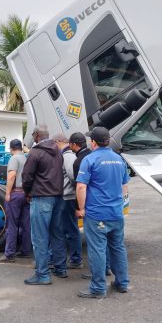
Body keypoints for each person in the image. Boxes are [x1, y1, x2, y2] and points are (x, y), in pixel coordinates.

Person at [75, 127, 130, 298]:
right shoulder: (119, 159)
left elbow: (81, 186)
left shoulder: (90, 159)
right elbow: (124, 187)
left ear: (93, 142)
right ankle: (122, 283)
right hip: (116, 213)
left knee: (97, 250)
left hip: (97, 213)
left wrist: (82, 208)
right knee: (118, 248)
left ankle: (98, 288)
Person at [21, 125, 67, 284]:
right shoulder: (58, 152)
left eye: (33, 135)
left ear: (37, 135)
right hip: (58, 197)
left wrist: (27, 192)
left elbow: (26, 176)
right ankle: (61, 268)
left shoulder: (35, 152)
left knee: (40, 237)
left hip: (42, 198)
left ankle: (42, 275)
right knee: (57, 234)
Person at [70, 132, 111, 280]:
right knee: (106, 242)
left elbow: (79, 187)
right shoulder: (113, 158)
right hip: (111, 207)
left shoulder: (82, 161)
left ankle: (97, 275)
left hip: (93, 208)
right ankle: (107, 269)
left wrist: (79, 208)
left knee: (95, 244)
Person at [0, 139, 31, 263]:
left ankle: (9, 254)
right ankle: (25, 250)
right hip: (25, 194)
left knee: (12, 225)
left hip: (16, 194)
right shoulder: (26, 158)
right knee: (26, 224)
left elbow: (11, 176)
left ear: (11, 149)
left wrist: (8, 193)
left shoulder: (13, 159)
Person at [53, 133, 82, 269]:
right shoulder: (66, 156)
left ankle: (76, 260)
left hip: (68, 198)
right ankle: (74, 258)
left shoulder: (68, 156)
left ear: (58, 142)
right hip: (66, 197)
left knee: (71, 230)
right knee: (67, 229)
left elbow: (74, 177)